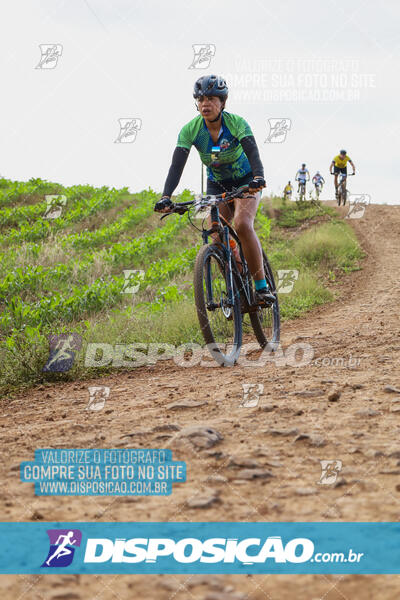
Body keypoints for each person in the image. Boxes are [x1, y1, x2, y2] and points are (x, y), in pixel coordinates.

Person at [154, 74, 274, 304]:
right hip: (216, 183)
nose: (205, 104)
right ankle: (236, 284)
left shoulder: (237, 123)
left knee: (242, 224)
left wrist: (258, 177)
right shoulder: (191, 129)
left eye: (210, 98)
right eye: (200, 99)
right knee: (217, 235)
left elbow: (253, 153)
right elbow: (176, 165)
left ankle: (261, 287)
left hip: (246, 180)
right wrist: (166, 196)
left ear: (223, 102)